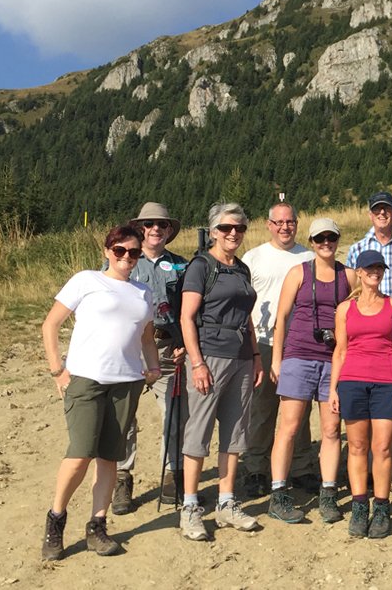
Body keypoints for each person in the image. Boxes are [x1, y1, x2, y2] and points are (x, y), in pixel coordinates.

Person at [40, 225, 161, 560]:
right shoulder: (86, 280)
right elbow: (51, 324)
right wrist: (57, 369)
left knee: (110, 456)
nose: (126, 257)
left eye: (133, 252)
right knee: (80, 454)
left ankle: (97, 525)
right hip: (86, 379)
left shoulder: (142, 292)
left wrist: (153, 367)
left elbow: (147, 338)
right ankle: (56, 520)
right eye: (119, 250)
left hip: (127, 383)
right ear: (107, 250)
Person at [178, 203, 263, 541]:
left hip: (242, 356)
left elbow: (247, 316)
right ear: (213, 231)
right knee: (198, 431)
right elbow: (187, 317)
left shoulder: (242, 269)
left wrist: (256, 355)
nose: (233, 234)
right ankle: (189, 506)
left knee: (235, 431)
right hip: (209, 356)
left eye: (239, 228)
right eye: (226, 228)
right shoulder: (201, 266)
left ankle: (226, 502)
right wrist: (197, 363)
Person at [265, 218, 354, 524]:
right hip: (299, 355)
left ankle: (328, 494)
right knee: (289, 426)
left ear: (338, 239)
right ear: (312, 241)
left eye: (331, 237)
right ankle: (278, 493)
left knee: (331, 429)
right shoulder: (299, 273)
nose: (325, 242)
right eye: (319, 238)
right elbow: (282, 316)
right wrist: (277, 359)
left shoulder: (349, 276)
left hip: (334, 361)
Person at [329, 249, 392, 539]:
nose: (375, 272)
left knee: (383, 447)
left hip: (387, 381)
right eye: (370, 268)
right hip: (352, 381)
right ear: (360, 273)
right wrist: (333, 389)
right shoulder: (344, 309)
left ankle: (381, 506)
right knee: (356, 447)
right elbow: (339, 351)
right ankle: (359, 505)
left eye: (380, 268)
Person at [110, 203, 187, 513]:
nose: (156, 228)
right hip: (129, 352)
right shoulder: (125, 262)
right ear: (139, 229)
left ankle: (171, 474)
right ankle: (122, 478)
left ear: (169, 230)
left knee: (174, 415)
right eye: (149, 224)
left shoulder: (182, 266)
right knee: (124, 417)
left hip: (168, 351)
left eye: (162, 224)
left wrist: (184, 342)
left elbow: (188, 309)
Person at [240, 202, 317, 498]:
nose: (285, 227)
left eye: (290, 222)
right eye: (279, 222)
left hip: (301, 345)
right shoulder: (254, 258)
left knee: (298, 409)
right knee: (262, 408)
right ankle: (256, 468)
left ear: (297, 224)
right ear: (269, 225)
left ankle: (301, 468)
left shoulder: (308, 256)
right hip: (264, 342)